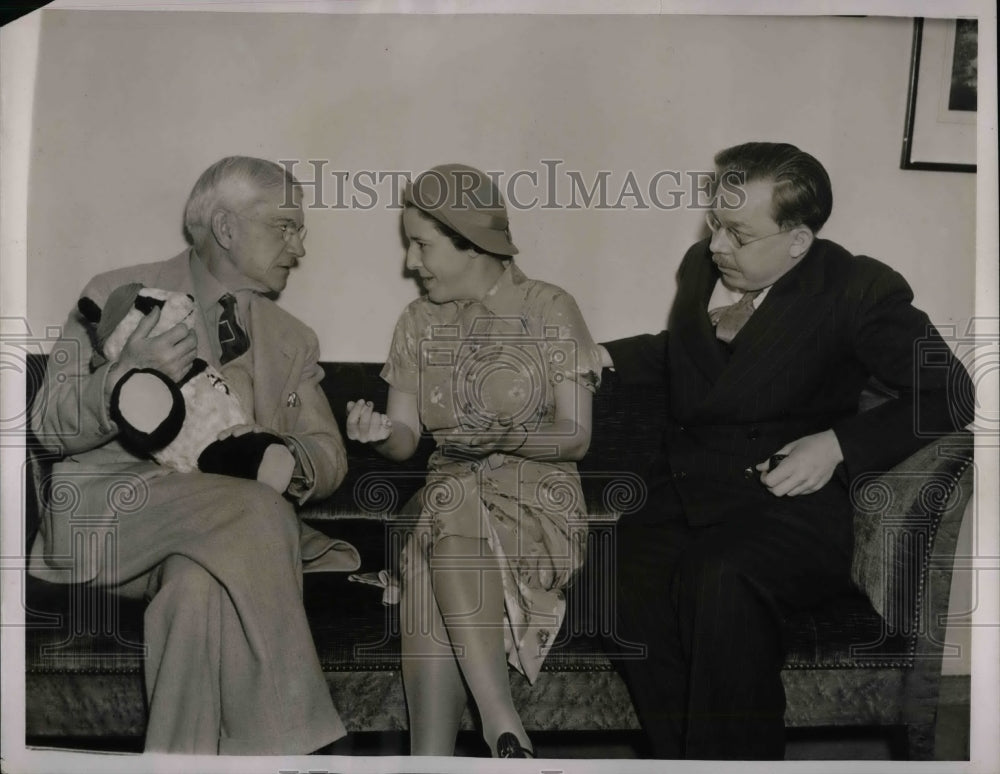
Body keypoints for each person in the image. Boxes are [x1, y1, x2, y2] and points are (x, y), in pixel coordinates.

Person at [601, 142, 974, 760]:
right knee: (620, 577)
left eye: (738, 233)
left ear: (797, 241)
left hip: (789, 509)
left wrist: (838, 444)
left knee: (717, 577)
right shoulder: (704, 267)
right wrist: (605, 355)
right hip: (689, 492)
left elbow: (952, 391)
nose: (717, 243)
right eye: (714, 222)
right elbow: (693, 351)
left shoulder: (858, 288)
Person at [29, 156, 360, 754]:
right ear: (227, 228)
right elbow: (50, 426)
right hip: (112, 521)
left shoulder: (292, 338)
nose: (300, 245)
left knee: (198, 589)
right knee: (256, 511)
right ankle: (303, 746)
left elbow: (328, 453)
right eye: (285, 226)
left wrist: (280, 458)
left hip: (219, 542)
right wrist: (127, 374)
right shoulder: (115, 295)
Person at [345, 164, 602, 758]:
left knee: (436, 531)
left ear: (474, 245)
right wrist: (378, 433)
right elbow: (407, 440)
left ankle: (436, 758)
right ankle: (502, 729)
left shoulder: (548, 307)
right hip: (448, 505)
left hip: (536, 505)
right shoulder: (416, 323)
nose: (412, 261)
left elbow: (576, 436)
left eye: (423, 244)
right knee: (442, 515)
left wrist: (505, 440)